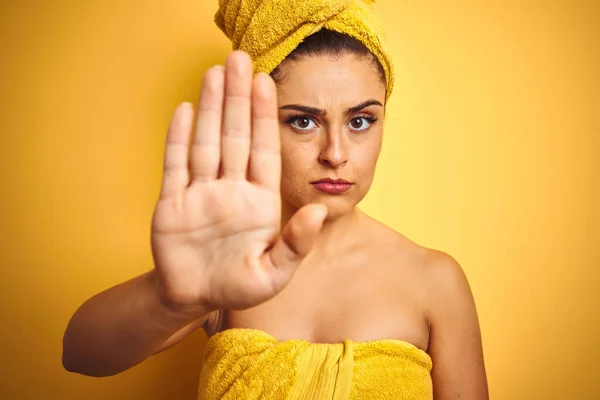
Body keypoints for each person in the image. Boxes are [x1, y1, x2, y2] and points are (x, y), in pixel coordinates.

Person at [63, 1, 489, 398]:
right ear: (256, 122)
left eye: (361, 121)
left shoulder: (435, 281)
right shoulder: (230, 264)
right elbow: (79, 354)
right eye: (303, 121)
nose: (336, 153)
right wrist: (172, 298)